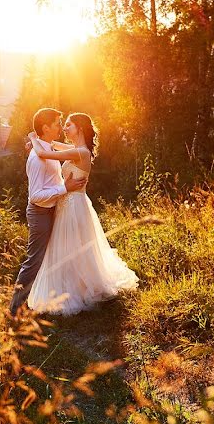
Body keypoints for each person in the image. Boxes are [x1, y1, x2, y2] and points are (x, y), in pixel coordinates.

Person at [25, 113, 139, 315]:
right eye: (64, 125)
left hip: (74, 206)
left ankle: (80, 289)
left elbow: (44, 154)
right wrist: (42, 143)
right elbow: (53, 147)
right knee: (68, 248)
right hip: (67, 204)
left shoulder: (82, 153)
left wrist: (34, 139)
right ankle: (74, 286)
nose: (65, 128)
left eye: (69, 125)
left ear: (79, 128)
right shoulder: (76, 150)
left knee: (74, 247)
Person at [9, 108, 88, 316]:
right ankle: (15, 309)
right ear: (45, 128)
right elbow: (35, 196)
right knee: (34, 260)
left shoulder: (49, 150)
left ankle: (57, 295)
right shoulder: (37, 158)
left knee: (53, 256)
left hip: (56, 209)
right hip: (40, 213)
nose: (61, 127)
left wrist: (32, 138)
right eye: (57, 124)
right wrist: (65, 188)